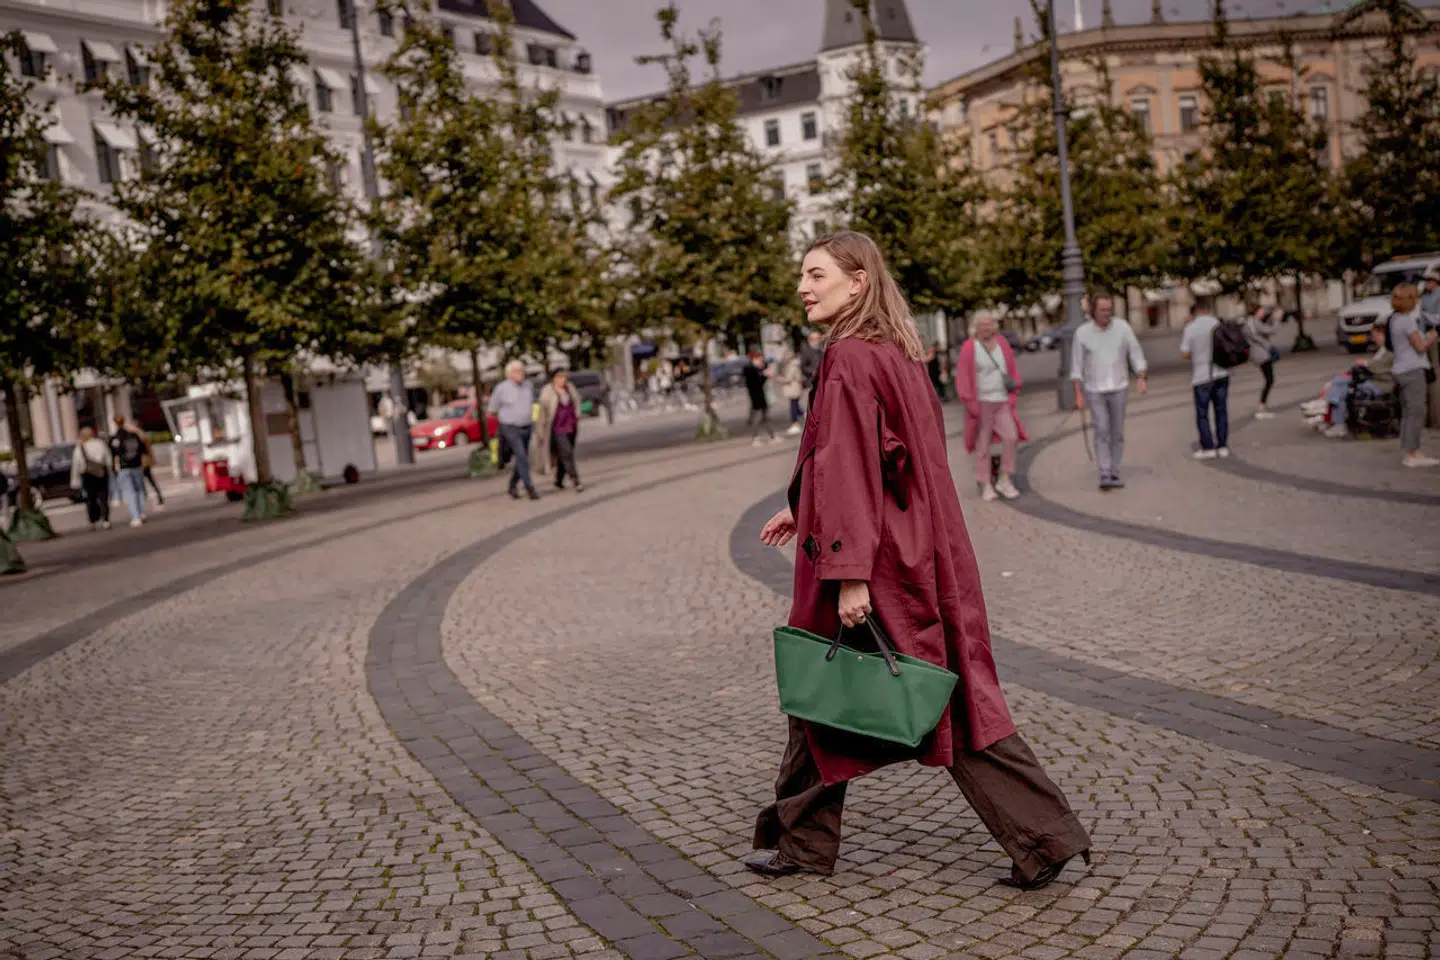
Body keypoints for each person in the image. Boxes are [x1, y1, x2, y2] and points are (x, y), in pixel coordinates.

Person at [751, 231, 1090, 888]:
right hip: (915, 549)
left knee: (907, 702)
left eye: (817, 274)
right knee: (831, 699)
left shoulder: (850, 356)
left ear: (858, 282)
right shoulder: (895, 351)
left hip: (875, 564)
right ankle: (802, 844)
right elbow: (870, 458)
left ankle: (1041, 838)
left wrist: (850, 575)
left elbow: (852, 465)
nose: (803, 286)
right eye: (802, 275)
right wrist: (807, 507)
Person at [1070, 293, 1148, 490]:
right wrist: (1078, 394)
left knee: (1117, 431)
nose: (1107, 313)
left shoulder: (1122, 327)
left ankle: (1114, 470)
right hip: (1094, 389)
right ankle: (1104, 472)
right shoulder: (1082, 333)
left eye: (1109, 309)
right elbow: (1076, 365)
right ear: (1093, 311)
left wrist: (1141, 376)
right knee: (1102, 429)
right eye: (1102, 310)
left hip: (1119, 387)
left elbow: (1135, 351)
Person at [955, 313, 1026, 501]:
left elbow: (1011, 369)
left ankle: (1004, 478)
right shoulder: (970, 347)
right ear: (976, 328)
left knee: (1011, 437)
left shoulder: (1002, 343)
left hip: (1002, 399)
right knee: (983, 445)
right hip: (982, 402)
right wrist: (970, 402)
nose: (987, 328)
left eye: (990, 324)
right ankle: (985, 482)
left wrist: (1012, 397)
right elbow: (962, 376)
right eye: (983, 325)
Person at [1306, 319, 1394, 439]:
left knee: (1340, 386)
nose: (1373, 339)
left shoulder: (1389, 351)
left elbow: (1379, 367)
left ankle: (1329, 412)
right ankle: (1336, 421)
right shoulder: (1383, 350)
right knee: (1340, 387)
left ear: (1382, 334)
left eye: (1375, 336)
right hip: (1375, 381)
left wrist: (1365, 363)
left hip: (1380, 384)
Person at [1388, 283, 1438, 468]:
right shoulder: (1407, 321)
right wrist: (1433, 335)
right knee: (1417, 411)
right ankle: (1413, 453)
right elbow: (1420, 346)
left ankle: (1408, 449)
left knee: (1408, 412)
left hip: (1400, 368)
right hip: (1412, 370)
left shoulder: (1394, 319)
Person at [1180, 305, 1230, 460]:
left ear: (1193, 313)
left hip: (1201, 376)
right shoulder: (1218, 323)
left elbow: (1185, 353)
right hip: (1221, 372)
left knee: (1202, 413)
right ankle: (1222, 446)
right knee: (1221, 410)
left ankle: (1208, 447)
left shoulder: (1191, 328)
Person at [488, 361, 540, 499]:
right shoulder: (501, 388)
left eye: (521, 370)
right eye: (516, 371)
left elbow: (533, 403)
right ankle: (530, 487)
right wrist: (504, 419)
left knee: (522, 458)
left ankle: (512, 485)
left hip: (526, 425)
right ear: (509, 374)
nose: (520, 373)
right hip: (510, 426)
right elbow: (492, 409)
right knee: (521, 455)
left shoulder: (528, 386)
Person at [534, 368, 584, 493]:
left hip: (571, 426)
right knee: (567, 453)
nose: (563, 380)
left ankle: (558, 480)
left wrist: (578, 414)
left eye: (565, 377)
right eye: (560, 377)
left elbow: (577, 400)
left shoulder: (570, 388)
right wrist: (540, 431)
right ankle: (576, 480)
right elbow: (542, 413)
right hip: (557, 428)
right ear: (554, 378)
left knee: (565, 454)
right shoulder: (547, 391)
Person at [108, 414, 148, 526]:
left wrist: (114, 469)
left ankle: (135, 517)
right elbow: (143, 449)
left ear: (115, 423)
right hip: (137, 465)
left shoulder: (115, 438)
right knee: (139, 489)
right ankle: (141, 513)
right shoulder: (133, 435)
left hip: (124, 468)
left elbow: (112, 454)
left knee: (129, 492)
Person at [69, 426, 112, 530]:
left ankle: (93, 520)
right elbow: (108, 458)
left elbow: (76, 464)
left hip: (87, 475)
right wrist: (109, 470)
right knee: (103, 497)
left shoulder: (80, 447)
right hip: (101, 473)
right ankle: (106, 520)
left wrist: (75, 480)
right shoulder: (100, 444)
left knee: (90, 498)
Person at [1244, 304, 1279, 420]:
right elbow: (1271, 330)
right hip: (1262, 354)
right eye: (1261, 310)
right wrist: (1276, 318)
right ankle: (1261, 406)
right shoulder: (1255, 322)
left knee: (1269, 379)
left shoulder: (1248, 322)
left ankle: (1262, 405)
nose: (1263, 312)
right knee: (1270, 379)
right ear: (1257, 311)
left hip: (1256, 354)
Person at [743, 349, 777, 445]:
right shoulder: (749, 369)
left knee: (765, 417)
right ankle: (755, 438)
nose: (761, 361)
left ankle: (772, 436)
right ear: (755, 359)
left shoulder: (758, 368)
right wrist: (763, 374)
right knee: (757, 418)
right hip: (756, 396)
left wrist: (764, 372)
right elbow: (756, 383)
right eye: (759, 359)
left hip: (762, 396)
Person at [132, 420, 165, 509]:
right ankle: (157, 496)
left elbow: (145, 448)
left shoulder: (138, 435)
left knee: (144, 480)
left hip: (142, 461)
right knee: (149, 479)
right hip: (145, 460)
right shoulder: (142, 434)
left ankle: (147, 497)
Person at [780, 353, 806, 436]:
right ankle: (805, 415)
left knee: (793, 407)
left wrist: (777, 378)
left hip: (793, 389)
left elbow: (788, 379)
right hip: (795, 388)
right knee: (795, 405)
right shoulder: (795, 365)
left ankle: (795, 424)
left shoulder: (792, 366)